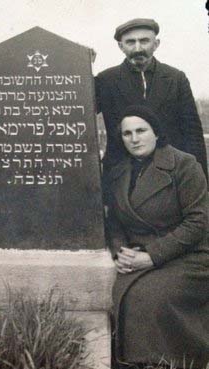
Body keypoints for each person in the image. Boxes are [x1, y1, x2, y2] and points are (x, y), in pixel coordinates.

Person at [106, 104, 209, 368]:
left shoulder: (184, 165)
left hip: (187, 254)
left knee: (152, 296)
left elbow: (199, 221)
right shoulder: (119, 173)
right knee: (127, 294)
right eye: (127, 133)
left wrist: (153, 256)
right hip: (138, 254)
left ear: (157, 133)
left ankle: (173, 362)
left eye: (141, 130)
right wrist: (120, 251)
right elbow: (115, 221)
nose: (134, 139)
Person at [95, 18, 208, 183]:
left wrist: (201, 180)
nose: (138, 48)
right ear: (121, 46)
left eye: (144, 41)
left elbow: (193, 133)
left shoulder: (176, 78)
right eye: (130, 42)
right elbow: (78, 107)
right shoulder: (105, 80)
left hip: (171, 175)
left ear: (156, 44)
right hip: (123, 178)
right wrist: (80, 62)